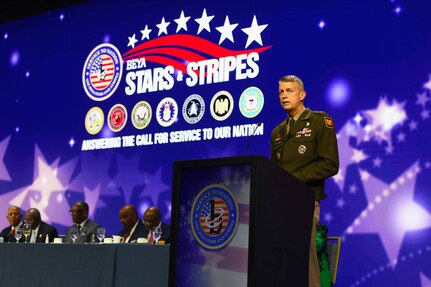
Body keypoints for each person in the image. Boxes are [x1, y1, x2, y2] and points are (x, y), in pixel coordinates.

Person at [270, 75, 339, 287]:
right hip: (280, 205)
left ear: (302, 95)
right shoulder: (277, 132)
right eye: (281, 92)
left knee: (305, 259)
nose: (284, 96)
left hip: (305, 202)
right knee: (280, 262)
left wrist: (292, 180)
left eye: (289, 91)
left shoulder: (319, 122)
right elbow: (275, 171)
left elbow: (330, 164)